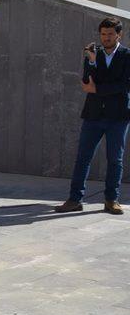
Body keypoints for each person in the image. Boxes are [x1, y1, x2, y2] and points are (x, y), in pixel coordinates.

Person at [55, 17, 130, 215]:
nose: (106, 38)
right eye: (103, 34)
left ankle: (111, 200)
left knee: (115, 160)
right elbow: (86, 82)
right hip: (93, 115)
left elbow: (125, 85)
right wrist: (91, 60)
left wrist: (97, 89)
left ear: (119, 35)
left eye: (110, 34)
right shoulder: (93, 53)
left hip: (118, 117)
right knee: (83, 158)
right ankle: (74, 199)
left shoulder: (127, 55)